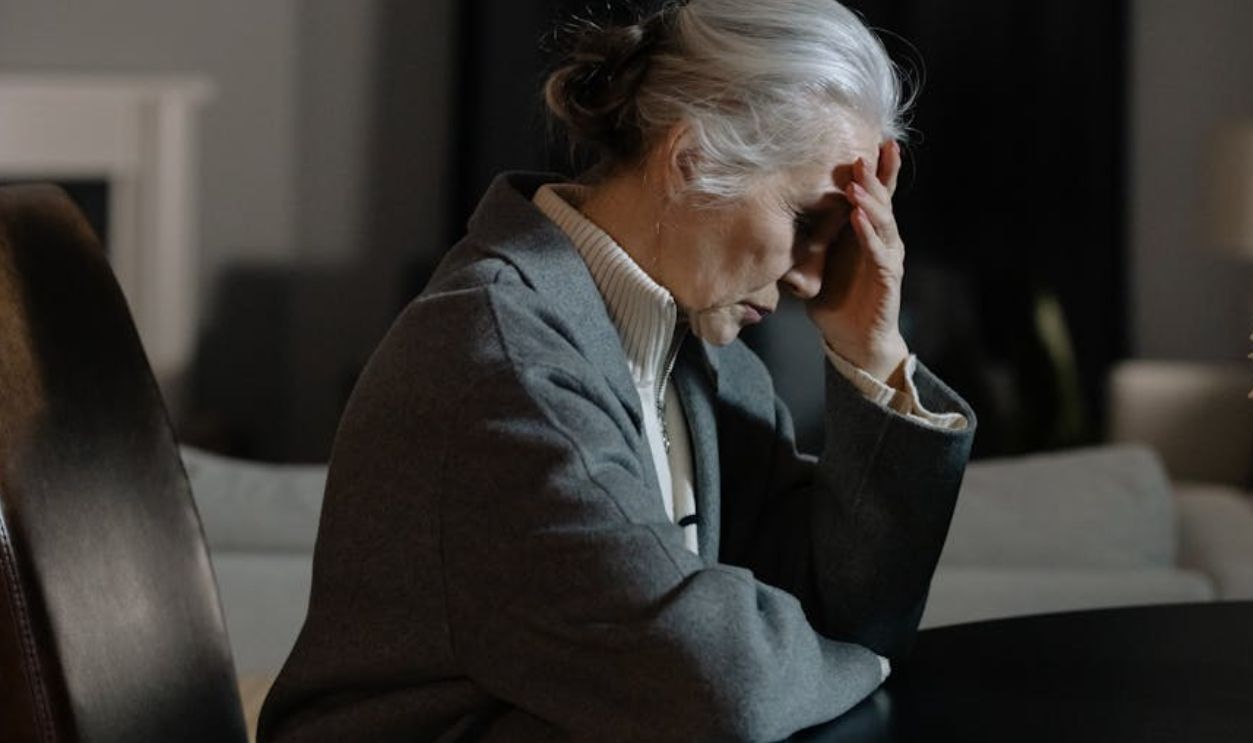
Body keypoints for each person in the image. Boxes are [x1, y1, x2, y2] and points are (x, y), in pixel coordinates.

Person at [259, 1, 975, 740]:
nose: (809, 279)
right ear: (690, 157)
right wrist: (864, 659)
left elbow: (846, 605)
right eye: (804, 222)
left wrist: (874, 352)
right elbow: (719, 685)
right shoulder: (501, 363)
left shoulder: (705, 354)